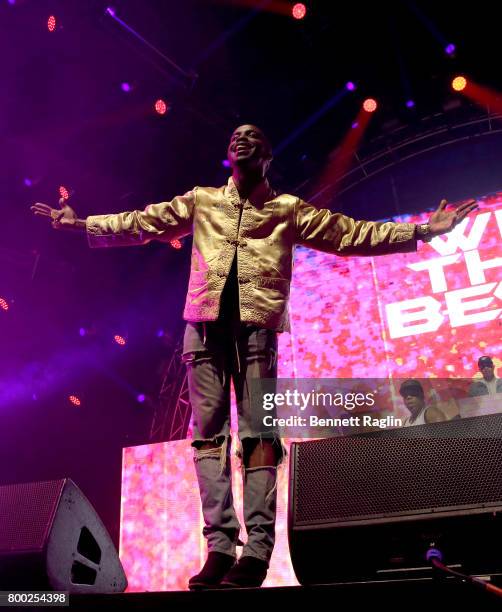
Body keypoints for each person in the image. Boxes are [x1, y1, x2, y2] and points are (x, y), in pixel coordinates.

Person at [31, 124, 478, 589]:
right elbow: (145, 222)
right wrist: (82, 223)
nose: (241, 139)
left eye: (253, 137)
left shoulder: (285, 210)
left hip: (257, 335)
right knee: (208, 439)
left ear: (268, 156)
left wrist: (423, 231)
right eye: (234, 137)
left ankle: (259, 550)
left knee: (259, 437)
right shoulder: (203, 200)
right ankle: (220, 547)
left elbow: (350, 234)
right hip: (203, 332)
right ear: (228, 154)